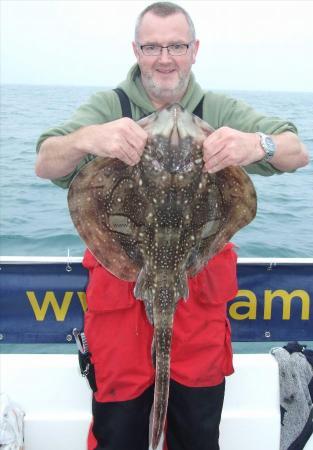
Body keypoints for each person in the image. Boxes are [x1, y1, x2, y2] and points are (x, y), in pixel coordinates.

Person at [35, 2, 309, 450]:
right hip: (123, 291)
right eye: (153, 46)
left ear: (194, 49)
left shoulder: (217, 109)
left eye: (177, 45)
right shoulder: (110, 105)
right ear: (136, 50)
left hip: (197, 291)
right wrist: (90, 138)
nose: (165, 57)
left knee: (197, 430)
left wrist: (252, 144)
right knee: (119, 429)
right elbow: (45, 161)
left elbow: (296, 151)